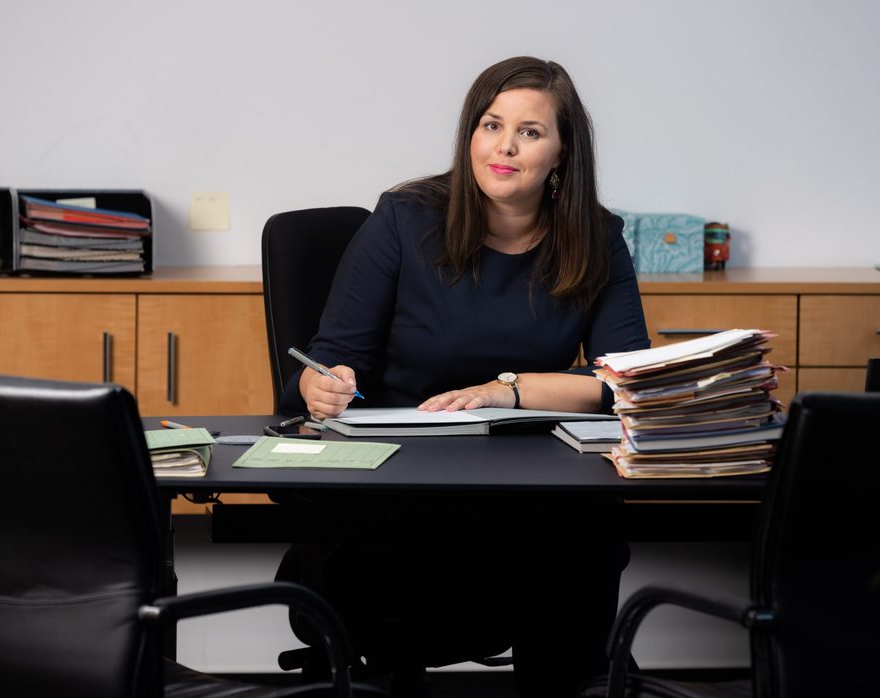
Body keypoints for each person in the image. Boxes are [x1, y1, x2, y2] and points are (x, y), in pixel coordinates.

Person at [277, 56, 650, 697]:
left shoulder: (596, 236)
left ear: (562, 152)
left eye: (530, 132)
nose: (505, 147)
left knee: (584, 532)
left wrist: (508, 392)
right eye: (490, 125)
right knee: (493, 550)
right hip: (404, 478)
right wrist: (322, 385)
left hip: (533, 482)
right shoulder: (403, 219)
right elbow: (329, 357)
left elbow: (625, 381)